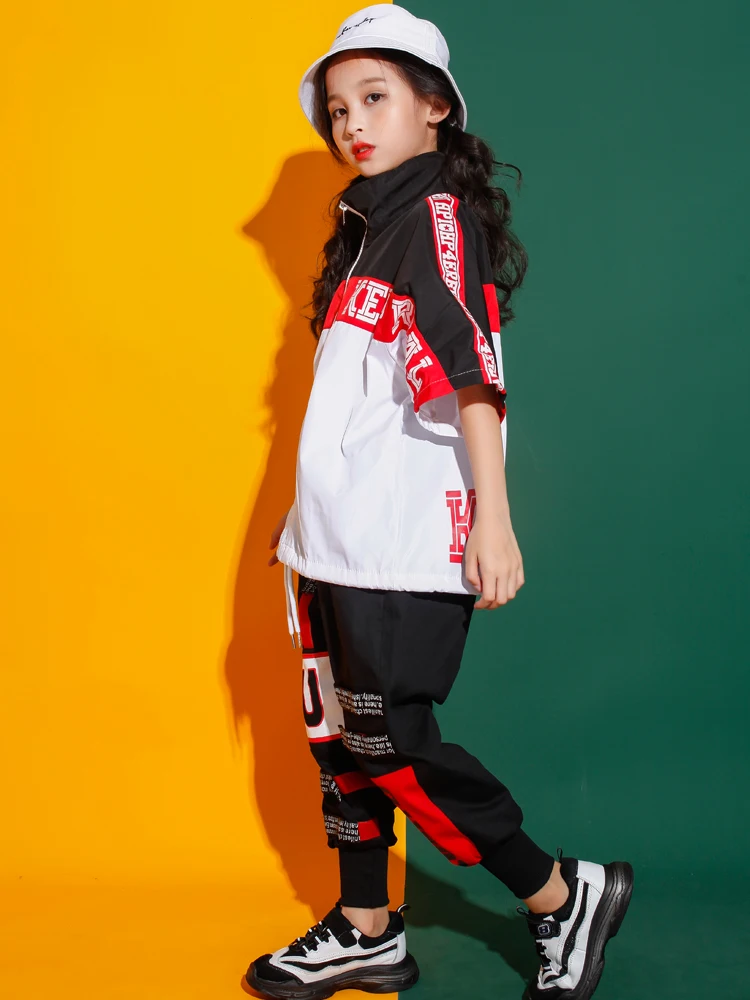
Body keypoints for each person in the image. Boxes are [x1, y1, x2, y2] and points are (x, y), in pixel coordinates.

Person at [242, 6, 633, 999]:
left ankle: (560, 894)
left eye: (374, 98)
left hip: (403, 540)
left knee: (392, 741)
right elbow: (356, 405)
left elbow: (474, 372)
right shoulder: (364, 232)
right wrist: (303, 520)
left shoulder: (435, 221)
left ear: (435, 108)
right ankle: (368, 928)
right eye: (338, 110)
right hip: (333, 542)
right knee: (339, 741)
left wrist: (495, 518)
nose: (352, 125)